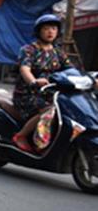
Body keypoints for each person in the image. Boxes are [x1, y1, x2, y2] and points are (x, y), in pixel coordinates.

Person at [11, 13, 76, 153]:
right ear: (39, 31)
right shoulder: (29, 50)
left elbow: (71, 70)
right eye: (46, 28)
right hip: (28, 94)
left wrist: (91, 79)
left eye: (53, 28)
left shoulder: (58, 53)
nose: (50, 31)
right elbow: (24, 69)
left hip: (51, 94)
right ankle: (21, 136)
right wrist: (34, 81)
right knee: (48, 110)